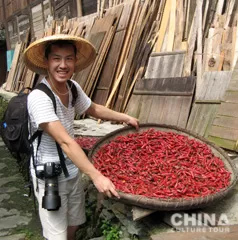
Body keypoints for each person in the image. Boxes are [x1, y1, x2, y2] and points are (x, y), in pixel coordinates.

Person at [23, 34, 139, 240]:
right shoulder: (38, 97)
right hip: (49, 174)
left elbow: (93, 108)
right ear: (47, 62)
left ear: (75, 62)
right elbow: (65, 141)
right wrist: (96, 175)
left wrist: (125, 118)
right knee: (56, 235)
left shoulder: (72, 87)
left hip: (72, 169)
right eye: (56, 58)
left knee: (75, 223)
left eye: (69, 58)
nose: (63, 65)